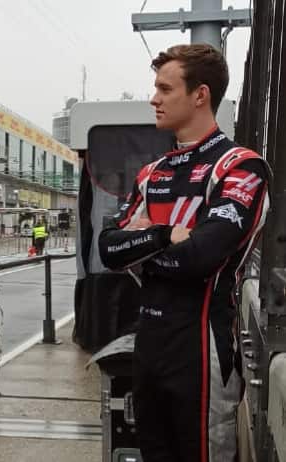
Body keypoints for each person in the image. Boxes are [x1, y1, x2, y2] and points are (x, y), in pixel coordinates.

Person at [98, 44, 269, 462]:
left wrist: (142, 244)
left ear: (200, 95)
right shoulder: (152, 173)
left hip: (202, 352)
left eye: (165, 88)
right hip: (148, 346)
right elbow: (108, 249)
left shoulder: (240, 167)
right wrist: (165, 235)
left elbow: (199, 258)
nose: (153, 99)